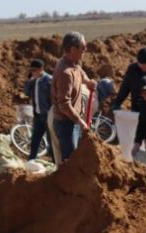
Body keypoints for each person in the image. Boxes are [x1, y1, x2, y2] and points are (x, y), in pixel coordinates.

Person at [51, 31, 97, 161]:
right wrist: (80, 121)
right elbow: (64, 104)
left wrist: (88, 82)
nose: (85, 50)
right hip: (66, 125)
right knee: (71, 163)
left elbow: (80, 73)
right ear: (73, 49)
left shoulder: (73, 63)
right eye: (83, 47)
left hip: (72, 121)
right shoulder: (65, 73)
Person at [23, 59, 53, 160]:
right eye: (31, 70)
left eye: (35, 70)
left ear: (41, 69)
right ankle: (31, 160)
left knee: (51, 140)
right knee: (35, 139)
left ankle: (55, 162)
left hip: (48, 115)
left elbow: (54, 97)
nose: (33, 72)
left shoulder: (49, 80)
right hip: (37, 115)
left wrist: (51, 112)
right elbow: (27, 93)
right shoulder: (33, 81)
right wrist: (29, 81)